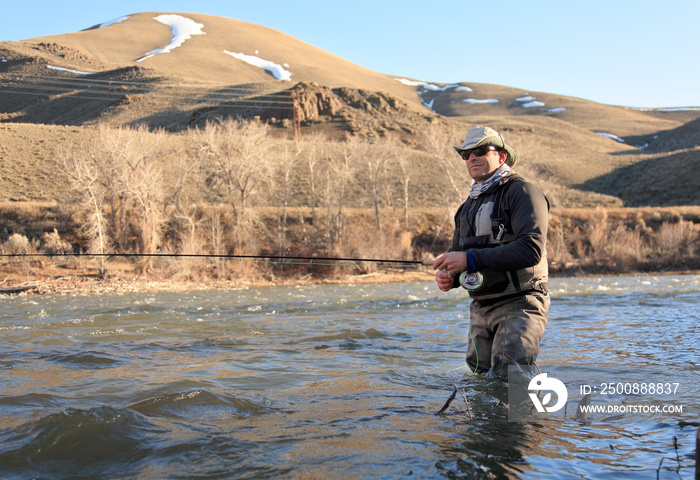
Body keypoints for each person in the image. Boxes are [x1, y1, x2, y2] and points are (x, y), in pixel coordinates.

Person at [433, 126, 550, 380]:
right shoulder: (466, 207)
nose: (472, 157)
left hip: (521, 303)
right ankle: (490, 423)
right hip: (480, 308)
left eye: (480, 150)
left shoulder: (522, 192)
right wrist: (450, 278)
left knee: (511, 376)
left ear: (502, 157)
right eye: (466, 154)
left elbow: (531, 249)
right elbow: (460, 257)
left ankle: (526, 421)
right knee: (480, 379)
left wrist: (470, 259)